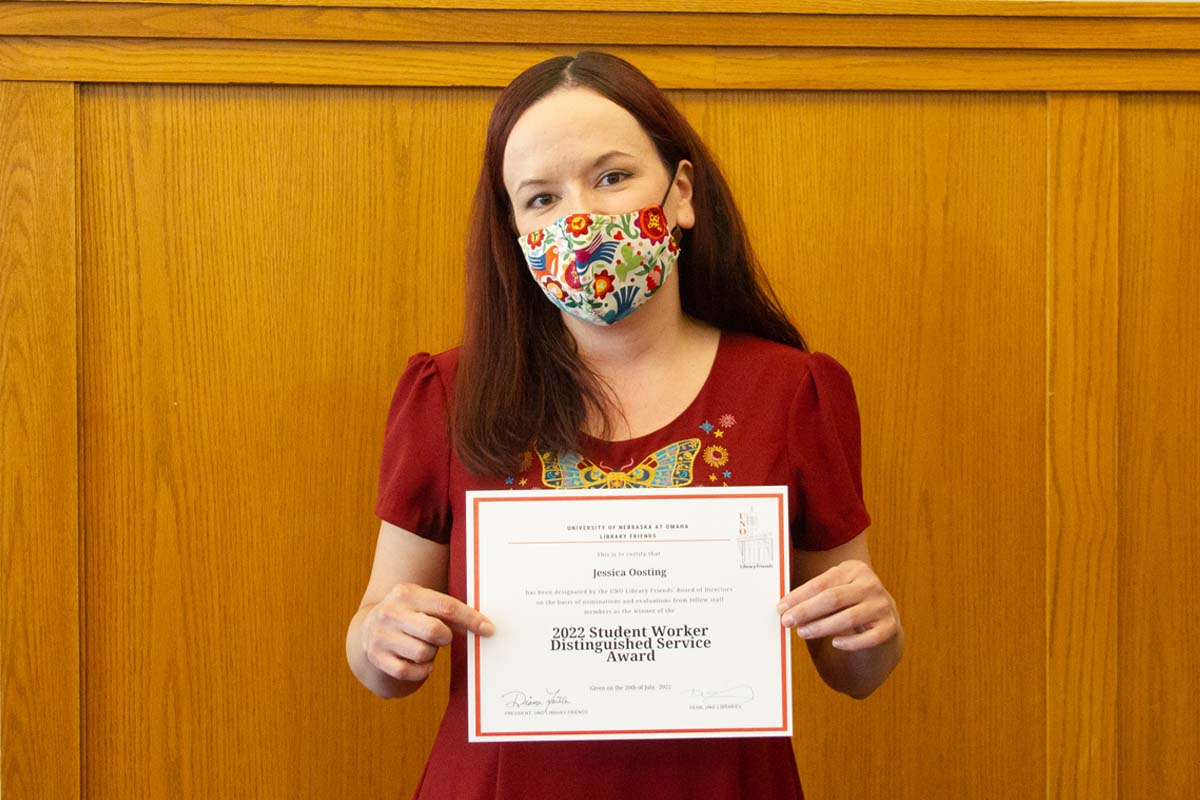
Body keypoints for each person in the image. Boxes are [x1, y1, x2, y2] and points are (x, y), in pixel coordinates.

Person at [346, 51, 904, 799]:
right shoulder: (450, 393)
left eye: (611, 177)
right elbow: (376, 659)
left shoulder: (793, 392)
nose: (580, 218)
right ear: (513, 230)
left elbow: (854, 671)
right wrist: (382, 639)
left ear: (679, 192)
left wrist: (873, 629)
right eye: (541, 198)